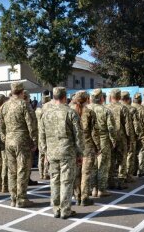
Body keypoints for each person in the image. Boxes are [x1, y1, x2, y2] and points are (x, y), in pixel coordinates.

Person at [40, 87, 84, 219]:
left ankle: (56, 209)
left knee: (54, 180)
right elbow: (78, 136)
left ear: (54, 97)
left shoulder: (46, 113)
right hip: (67, 152)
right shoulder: (71, 113)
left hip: (52, 153)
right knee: (66, 181)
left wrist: (45, 152)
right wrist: (80, 153)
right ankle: (65, 210)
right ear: (64, 97)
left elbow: (41, 135)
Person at [0, 82, 38, 208]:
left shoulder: (5, 106)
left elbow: (1, 124)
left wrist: (5, 137)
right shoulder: (24, 104)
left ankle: (13, 198)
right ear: (22, 92)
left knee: (12, 171)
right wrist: (34, 140)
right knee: (22, 170)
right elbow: (31, 124)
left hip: (9, 141)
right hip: (21, 141)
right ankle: (21, 199)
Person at [71, 90, 100, 206]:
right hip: (87, 146)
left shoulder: (71, 112)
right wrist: (98, 147)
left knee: (76, 173)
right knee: (86, 173)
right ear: (87, 99)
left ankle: (77, 196)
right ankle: (84, 198)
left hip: (75, 147)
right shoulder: (90, 113)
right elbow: (94, 133)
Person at [87, 89, 116, 197]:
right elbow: (111, 128)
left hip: (89, 140)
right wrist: (113, 140)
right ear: (102, 98)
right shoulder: (105, 110)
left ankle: (93, 188)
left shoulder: (86, 109)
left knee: (93, 165)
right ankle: (101, 189)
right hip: (103, 139)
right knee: (103, 165)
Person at [106, 89, 129, 189]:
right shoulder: (123, 108)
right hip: (121, 137)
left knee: (110, 159)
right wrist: (129, 138)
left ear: (111, 97)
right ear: (119, 97)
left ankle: (110, 181)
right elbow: (128, 125)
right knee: (122, 159)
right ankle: (121, 181)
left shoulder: (106, 107)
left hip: (109, 137)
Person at [23, 90, 38, 186]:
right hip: (26, 139)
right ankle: (26, 180)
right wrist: (34, 141)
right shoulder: (27, 108)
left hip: (11, 140)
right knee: (27, 162)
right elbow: (32, 125)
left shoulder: (7, 106)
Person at [35, 94, 51, 180]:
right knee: (46, 154)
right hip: (46, 133)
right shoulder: (48, 110)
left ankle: (41, 173)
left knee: (40, 155)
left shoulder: (37, 110)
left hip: (38, 133)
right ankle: (45, 172)